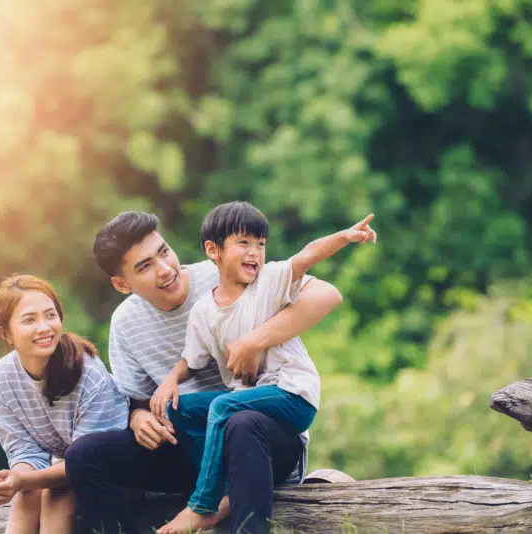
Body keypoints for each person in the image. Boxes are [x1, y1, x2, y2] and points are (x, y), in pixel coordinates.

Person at [64, 210, 345, 534]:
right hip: (194, 445)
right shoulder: (126, 324)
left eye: (164, 252)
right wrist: (139, 419)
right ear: (122, 284)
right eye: (145, 266)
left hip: (262, 438)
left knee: (239, 421)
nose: (165, 269)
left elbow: (325, 294)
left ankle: (222, 507)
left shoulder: (222, 275)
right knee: (85, 455)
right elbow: (137, 403)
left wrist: (253, 341)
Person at [150, 201, 376, 533]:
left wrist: (344, 236)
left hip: (293, 395)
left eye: (261, 244)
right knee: (180, 407)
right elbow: (192, 360)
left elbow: (308, 255)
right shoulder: (203, 310)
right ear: (213, 250)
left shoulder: (268, 282)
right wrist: (171, 380)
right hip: (252, 400)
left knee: (223, 406)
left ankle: (203, 504)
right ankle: (224, 488)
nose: (255, 252)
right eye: (244, 243)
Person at [0, 275, 129, 534]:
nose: (44, 327)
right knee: (26, 496)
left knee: (56, 496)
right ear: (6, 333)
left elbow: (88, 458)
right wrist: (9, 482)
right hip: (69, 466)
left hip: (118, 466)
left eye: (50, 315)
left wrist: (22, 481)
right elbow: (24, 452)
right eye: (29, 320)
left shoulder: (88, 371)